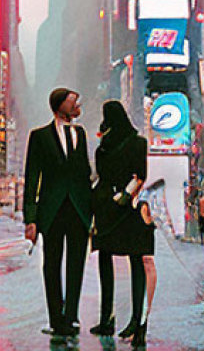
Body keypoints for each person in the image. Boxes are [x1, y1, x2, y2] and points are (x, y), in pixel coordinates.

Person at [22, 88, 93, 338]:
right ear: (59, 105)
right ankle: (56, 319)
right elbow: (31, 179)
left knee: (77, 263)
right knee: (51, 265)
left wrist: (91, 211)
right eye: (73, 101)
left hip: (78, 211)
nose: (77, 105)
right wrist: (30, 219)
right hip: (51, 211)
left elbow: (85, 173)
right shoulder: (39, 136)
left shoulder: (81, 134)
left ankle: (71, 316)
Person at [90, 101, 156, 345]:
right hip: (120, 207)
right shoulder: (134, 143)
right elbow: (140, 175)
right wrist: (125, 197)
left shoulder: (106, 147)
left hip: (112, 207)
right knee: (131, 260)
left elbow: (136, 175)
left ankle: (113, 320)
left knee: (111, 260)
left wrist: (122, 196)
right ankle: (129, 320)